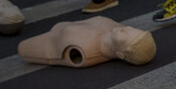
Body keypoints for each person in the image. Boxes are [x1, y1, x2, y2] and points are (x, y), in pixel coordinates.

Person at [18, 16, 156, 68]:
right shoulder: (113, 28)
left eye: (124, 36)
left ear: (121, 54)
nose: (124, 29)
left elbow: (25, 49)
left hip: (52, 37)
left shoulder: (85, 51)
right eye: (131, 28)